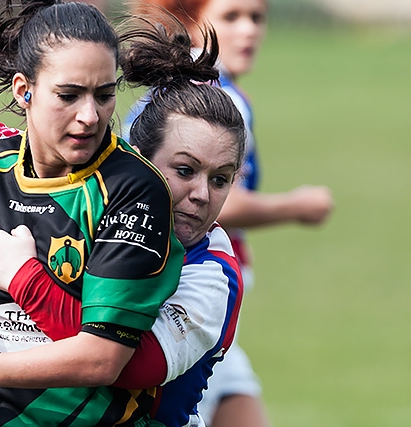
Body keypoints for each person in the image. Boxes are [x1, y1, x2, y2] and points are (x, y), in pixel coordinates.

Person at [0, 4, 249, 427]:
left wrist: (20, 282)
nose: (199, 194)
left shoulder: (189, 250)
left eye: (221, 179)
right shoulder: (2, 164)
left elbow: (114, 361)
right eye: (183, 170)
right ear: (25, 92)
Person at [125, 0, 334, 426]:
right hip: (183, 304)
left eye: (257, 17)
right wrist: (297, 205)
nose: (248, 31)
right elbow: (225, 204)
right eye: (231, 17)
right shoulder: (214, 106)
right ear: (191, 21)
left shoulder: (177, 95)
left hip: (201, 308)